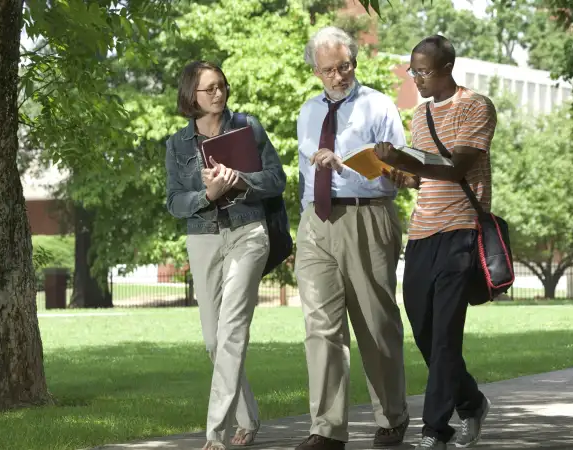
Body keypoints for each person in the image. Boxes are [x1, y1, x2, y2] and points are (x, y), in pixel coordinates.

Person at [373, 35, 497, 450]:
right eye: (413, 71)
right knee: (425, 332)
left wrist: (401, 159)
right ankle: (472, 402)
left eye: (423, 71)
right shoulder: (420, 115)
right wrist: (395, 173)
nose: (417, 78)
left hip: (461, 232)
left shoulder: (475, 106)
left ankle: (434, 431)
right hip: (422, 233)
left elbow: (454, 166)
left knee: (446, 334)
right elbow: (423, 177)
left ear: (447, 68)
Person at [294, 26, 410, 450]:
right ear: (316, 71)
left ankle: (392, 417)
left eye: (345, 66)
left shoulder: (379, 106)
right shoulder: (307, 112)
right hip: (315, 221)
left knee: (376, 324)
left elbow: (398, 173)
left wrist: (349, 165)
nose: (338, 76)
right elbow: (308, 173)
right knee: (320, 327)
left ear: (354, 63)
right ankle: (326, 428)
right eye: (329, 70)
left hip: (368, 216)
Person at [164, 60, 286, 450]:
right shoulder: (177, 144)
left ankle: (215, 433)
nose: (219, 93)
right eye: (209, 89)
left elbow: (276, 179)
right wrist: (207, 195)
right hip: (203, 237)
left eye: (221, 86)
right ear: (191, 97)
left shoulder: (247, 127)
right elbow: (173, 202)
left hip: (248, 232)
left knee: (232, 329)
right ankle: (248, 417)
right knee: (214, 341)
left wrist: (241, 180)